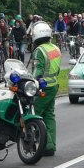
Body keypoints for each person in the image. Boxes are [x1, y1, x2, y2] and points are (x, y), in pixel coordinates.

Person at [30, 21, 61, 157]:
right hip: (54, 84)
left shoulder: (39, 50)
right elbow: (58, 68)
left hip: (43, 87)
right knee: (49, 115)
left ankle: (42, 144)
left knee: (33, 115)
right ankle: (50, 146)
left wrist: (31, 82)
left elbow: (38, 71)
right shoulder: (55, 48)